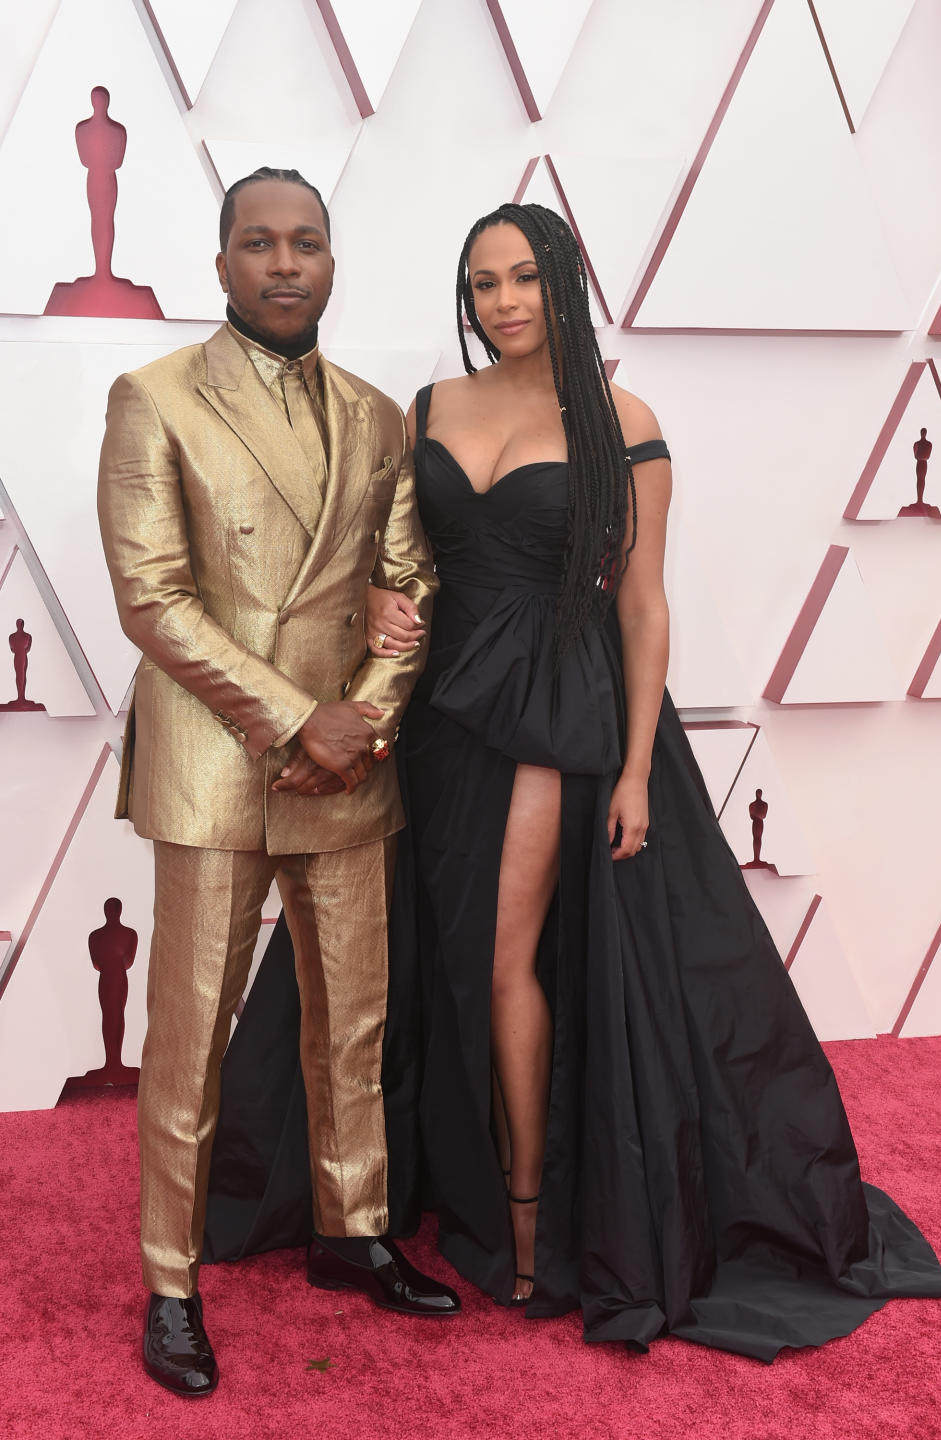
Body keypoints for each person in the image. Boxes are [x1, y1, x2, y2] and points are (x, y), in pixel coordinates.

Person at [207, 202, 941, 1358]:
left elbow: (644, 605)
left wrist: (639, 767)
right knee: (426, 951)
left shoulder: (621, 420)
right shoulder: (433, 408)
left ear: (564, 282)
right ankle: (418, 1182)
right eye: (481, 284)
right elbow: (394, 555)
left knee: (507, 957)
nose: (501, 303)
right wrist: (372, 601)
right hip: (439, 705)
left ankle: (529, 1219)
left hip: (556, 707)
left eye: (521, 279)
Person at [97, 167, 458, 1400]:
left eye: (308, 242)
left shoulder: (375, 416)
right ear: (221, 265)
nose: (287, 263)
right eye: (261, 244)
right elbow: (155, 601)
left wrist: (366, 721)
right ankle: (170, 1278)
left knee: (351, 1021)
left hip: (350, 762)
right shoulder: (153, 399)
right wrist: (307, 719)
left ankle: (352, 1230)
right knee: (188, 1037)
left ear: (332, 262)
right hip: (218, 762)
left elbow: (409, 585)